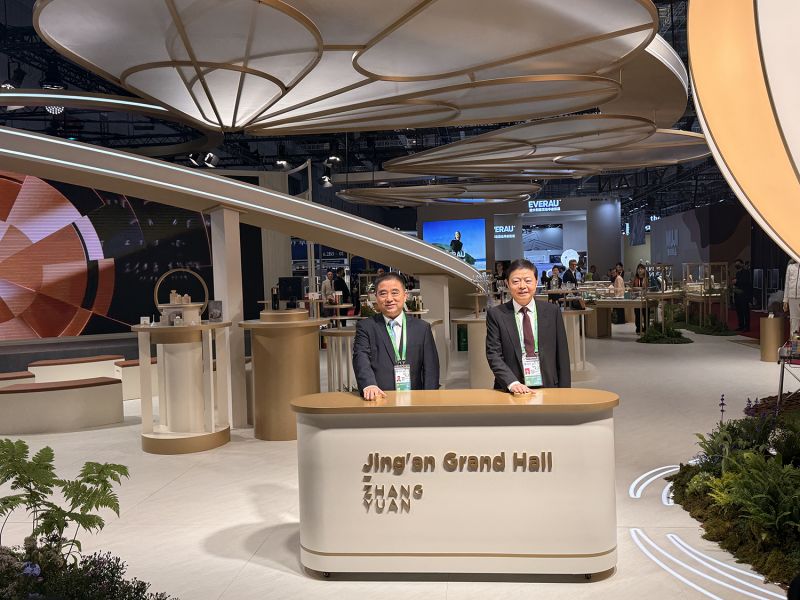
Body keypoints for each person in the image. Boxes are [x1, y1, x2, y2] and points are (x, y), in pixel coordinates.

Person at [486, 259, 571, 392]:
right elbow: (493, 354)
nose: (522, 286)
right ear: (507, 284)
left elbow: (562, 355)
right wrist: (512, 383)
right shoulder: (496, 314)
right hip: (511, 389)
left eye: (528, 280)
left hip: (548, 386)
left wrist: (565, 392)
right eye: (516, 281)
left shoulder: (552, 311)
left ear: (536, 282)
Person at [353, 272, 439, 400]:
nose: (389, 299)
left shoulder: (422, 328)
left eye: (394, 292)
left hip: (415, 399)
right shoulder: (366, 327)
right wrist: (369, 384)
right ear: (376, 297)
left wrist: (429, 398)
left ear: (405, 296)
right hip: (379, 398)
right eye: (383, 293)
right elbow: (361, 357)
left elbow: (431, 369)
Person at [732, 259, 752, 331]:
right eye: (736, 264)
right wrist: (734, 283)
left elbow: (746, 282)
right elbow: (737, 283)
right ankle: (741, 326)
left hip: (744, 295)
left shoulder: (746, 272)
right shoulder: (737, 273)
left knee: (745, 311)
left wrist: (737, 281)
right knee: (739, 311)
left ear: (742, 264)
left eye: (738, 264)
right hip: (738, 295)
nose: (737, 265)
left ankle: (747, 327)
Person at [631, 264, 649, 334]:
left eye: (641, 269)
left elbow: (646, 288)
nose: (640, 270)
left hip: (645, 299)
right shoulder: (635, 278)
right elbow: (632, 288)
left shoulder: (646, 278)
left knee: (646, 314)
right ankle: (638, 328)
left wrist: (638, 288)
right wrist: (640, 289)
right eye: (638, 269)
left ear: (644, 270)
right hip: (636, 299)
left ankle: (646, 329)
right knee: (637, 314)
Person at [784, 259, 800, 334]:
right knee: (794, 321)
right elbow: (787, 284)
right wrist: (785, 300)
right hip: (792, 297)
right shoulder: (790, 266)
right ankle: (794, 341)